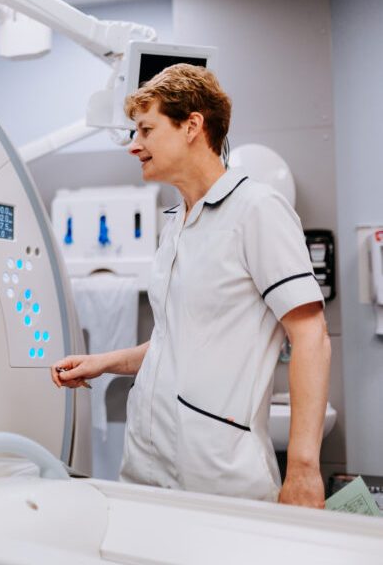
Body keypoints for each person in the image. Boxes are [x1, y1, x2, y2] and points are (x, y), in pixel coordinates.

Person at [50, 64, 330, 507]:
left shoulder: (257, 210)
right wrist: (100, 362)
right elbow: (174, 340)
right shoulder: (177, 224)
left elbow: (310, 335)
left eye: (145, 129)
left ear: (192, 126)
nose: (133, 145)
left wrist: (303, 469)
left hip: (218, 470)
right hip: (147, 460)